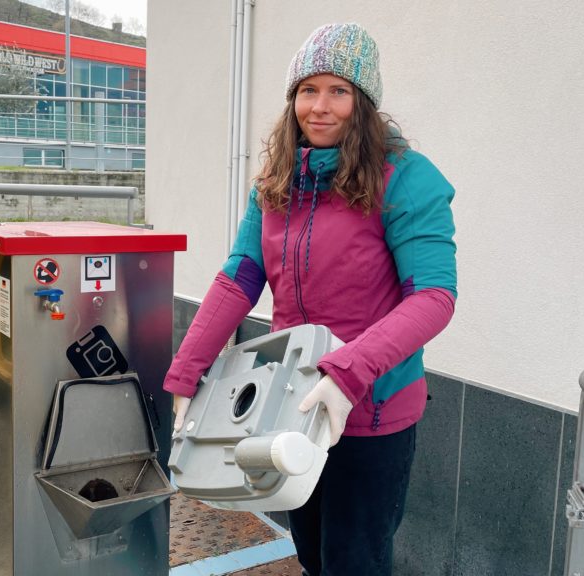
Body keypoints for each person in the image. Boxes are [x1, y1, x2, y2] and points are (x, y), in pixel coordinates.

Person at [163, 22, 457, 576]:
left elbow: (434, 297)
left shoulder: (407, 180)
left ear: (363, 102)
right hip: (290, 404)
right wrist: (186, 372)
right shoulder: (278, 181)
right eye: (307, 90)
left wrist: (347, 373)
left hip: (368, 410)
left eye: (338, 91)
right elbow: (240, 277)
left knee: (355, 561)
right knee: (312, 555)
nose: (319, 107)